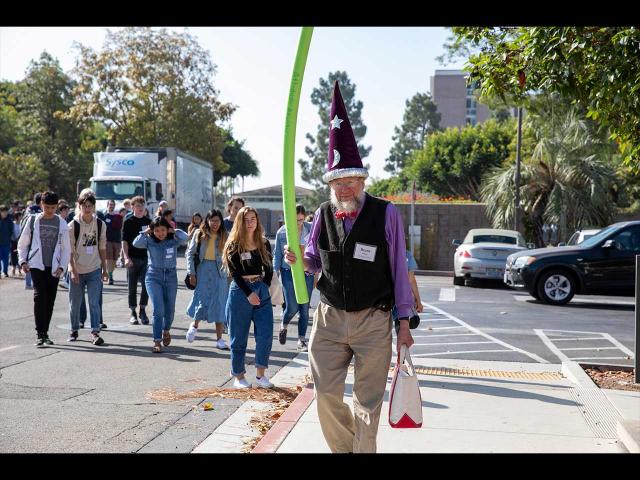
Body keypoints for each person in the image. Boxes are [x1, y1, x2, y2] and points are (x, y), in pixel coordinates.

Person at [283, 81, 414, 453]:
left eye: (350, 180)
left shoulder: (385, 212)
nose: (344, 188)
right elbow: (313, 259)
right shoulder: (323, 214)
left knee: (368, 405)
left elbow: (398, 268)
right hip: (329, 318)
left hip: (373, 320)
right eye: (337, 182)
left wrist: (403, 324)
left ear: (362, 180)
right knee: (324, 394)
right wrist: (300, 261)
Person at [223, 206, 274, 389]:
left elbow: (269, 268)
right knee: (239, 336)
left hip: (261, 289)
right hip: (240, 291)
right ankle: (239, 376)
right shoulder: (234, 244)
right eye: (246, 219)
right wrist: (249, 293)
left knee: (265, 334)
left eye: (253, 219)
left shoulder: (264, 242)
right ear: (240, 222)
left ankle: (261, 376)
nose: (250, 222)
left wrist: (264, 287)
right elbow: (235, 273)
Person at [18, 191, 71, 347]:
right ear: (41, 205)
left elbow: (66, 248)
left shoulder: (61, 222)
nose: (49, 210)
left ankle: (45, 332)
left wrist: (62, 267)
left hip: (54, 267)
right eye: (47, 206)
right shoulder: (33, 220)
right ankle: (40, 334)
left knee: (50, 300)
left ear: (57, 207)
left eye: (53, 207)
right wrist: (22, 261)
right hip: (36, 264)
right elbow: (23, 243)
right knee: (39, 296)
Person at [132, 216, 189, 353]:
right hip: (153, 277)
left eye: (163, 230)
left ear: (167, 229)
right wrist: (145, 232)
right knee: (158, 309)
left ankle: (166, 330)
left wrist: (173, 230)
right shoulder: (149, 241)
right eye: (156, 230)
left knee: (170, 310)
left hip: (170, 277)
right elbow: (135, 243)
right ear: (153, 231)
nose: (160, 233)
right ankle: (157, 341)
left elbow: (186, 237)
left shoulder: (173, 240)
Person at [67, 189, 108, 346]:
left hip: (94, 268)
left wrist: (105, 269)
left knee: (94, 302)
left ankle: (95, 332)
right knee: (75, 302)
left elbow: (102, 247)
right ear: (79, 206)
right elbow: (69, 250)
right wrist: (72, 269)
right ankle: (74, 329)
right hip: (77, 269)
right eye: (85, 206)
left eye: (90, 205)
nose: (88, 208)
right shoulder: (72, 226)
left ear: (94, 206)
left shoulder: (100, 224)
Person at [185, 209, 230, 349]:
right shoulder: (199, 234)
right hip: (203, 270)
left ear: (221, 221)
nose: (215, 223)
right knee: (201, 298)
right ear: (208, 221)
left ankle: (219, 339)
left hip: (220, 272)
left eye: (217, 220)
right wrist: (191, 273)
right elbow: (190, 254)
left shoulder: (225, 235)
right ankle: (194, 325)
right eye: (212, 220)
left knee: (219, 303)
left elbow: (230, 255)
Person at [273, 204, 314, 352]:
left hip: (306, 271)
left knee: (304, 307)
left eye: (301, 220)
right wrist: (274, 274)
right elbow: (277, 255)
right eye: (296, 220)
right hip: (287, 271)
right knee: (292, 307)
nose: (299, 223)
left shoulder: (310, 228)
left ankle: (301, 340)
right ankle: (283, 325)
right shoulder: (282, 232)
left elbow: (315, 250)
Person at [122, 196, 152, 325]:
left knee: (146, 286)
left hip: (145, 259)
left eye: (142, 206)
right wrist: (126, 257)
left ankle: (143, 310)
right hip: (132, 258)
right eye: (138, 206)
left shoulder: (149, 222)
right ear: (132, 207)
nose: (140, 208)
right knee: (132, 287)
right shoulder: (128, 222)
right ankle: (133, 312)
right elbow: (124, 242)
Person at [21, 193, 42, 290]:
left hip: (27, 236)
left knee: (28, 258)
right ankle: (31, 283)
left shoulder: (29, 209)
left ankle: (29, 283)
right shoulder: (37, 211)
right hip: (34, 238)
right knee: (31, 259)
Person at [103, 199, 123, 285]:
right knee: (109, 258)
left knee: (115, 259)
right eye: (110, 204)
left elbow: (121, 228)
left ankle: (110, 272)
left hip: (117, 240)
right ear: (107, 205)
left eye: (113, 204)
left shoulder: (118, 217)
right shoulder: (104, 216)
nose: (111, 206)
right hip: (107, 240)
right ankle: (110, 276)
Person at [0, 205, 13, 278]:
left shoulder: (9, 221)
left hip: (6, 243)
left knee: (6, 259)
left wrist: (8, 238)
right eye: (3, 211)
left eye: (5, 212)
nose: (4, 213)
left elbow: (11, 231)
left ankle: (5, 271)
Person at [10, 211, 23, 277]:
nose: (21, 217)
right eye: (20, 216)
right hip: (13, 242)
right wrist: (15, 238)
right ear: (17, 217)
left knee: (20, 255)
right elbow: (11, 232)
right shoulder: (13, 224)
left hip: (20, 242)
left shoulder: (22, 224)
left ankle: (20, 270)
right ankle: (14, 268)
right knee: (13, 255)